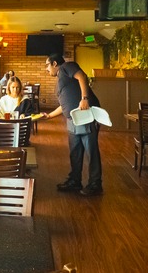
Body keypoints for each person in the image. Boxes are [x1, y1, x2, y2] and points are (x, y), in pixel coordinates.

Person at [40, 53, 102, 196]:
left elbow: (82, 76)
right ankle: (74, 181)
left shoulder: (67, 66)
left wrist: (84, 98)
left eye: (47, 65)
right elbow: (64, 105)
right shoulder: (61, 79)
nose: (46, 69)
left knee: (91, 152)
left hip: (86, 117)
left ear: (55, 63)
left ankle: (95, 184)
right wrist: (49, 115)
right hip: (72, 120)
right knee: (75, 152)